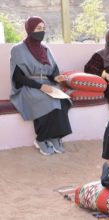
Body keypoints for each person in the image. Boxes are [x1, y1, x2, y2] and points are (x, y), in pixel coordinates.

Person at [9, 16, 72, 156]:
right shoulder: (18, 49)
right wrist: (41, 87)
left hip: (47, 84)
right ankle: (41, 139)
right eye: (38, 29)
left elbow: (52, 70)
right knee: (47, 100)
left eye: (43, 29)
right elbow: (18, 77)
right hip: (28, 86)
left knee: (62, 100)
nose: (41, 32)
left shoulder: (45, 49)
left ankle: (56, 137)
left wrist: (56, 77)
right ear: (29, 29)